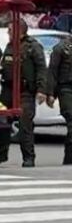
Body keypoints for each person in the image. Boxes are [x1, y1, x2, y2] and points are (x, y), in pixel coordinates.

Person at [0, 20, 48, 167]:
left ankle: (28, 157)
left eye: (10, 30)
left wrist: (41, 90)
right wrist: (1, 69)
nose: (8, 33)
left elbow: (42, 69)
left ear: (20, 31)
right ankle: (0, 154)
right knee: (1, 122)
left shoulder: (33, 47)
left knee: (25, 125)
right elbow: (5, 62)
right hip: (8, 90)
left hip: (25, 91)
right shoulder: (10, 46)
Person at [49, 35, 72, 165]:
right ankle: (69, 159)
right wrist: (50, 93)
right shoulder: (61, 48)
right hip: (66, 89)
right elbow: (52, 71)